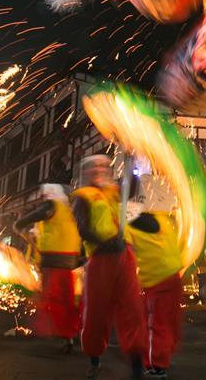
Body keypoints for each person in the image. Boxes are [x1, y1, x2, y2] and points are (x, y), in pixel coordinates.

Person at [70, 154, 147, 378]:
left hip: (124, 256)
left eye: (103, 166)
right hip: (100, 260)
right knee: (97, 312)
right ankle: (94, 359)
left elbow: (132, 189)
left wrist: (132, 165)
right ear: (85, 172)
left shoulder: (115, 191)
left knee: (133, 309)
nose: (99, 169)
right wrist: (105, 243)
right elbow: (83, 229)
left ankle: (137, 363)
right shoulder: (82, 196)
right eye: (93, 166)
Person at [14, 183, 82, 353]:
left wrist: (19, 223)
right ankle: (69, 335)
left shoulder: (53, 205)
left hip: (54, 260)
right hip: (69, 261)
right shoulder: (69, 211)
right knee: (66, 301)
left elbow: (42, 212)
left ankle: (50, 330)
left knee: (52, 299)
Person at [127, 180, 184, 379]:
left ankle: (156, 365)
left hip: (158, 280)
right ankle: (164, 356)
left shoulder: (135, 220)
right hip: (172, 275)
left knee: (155, 324)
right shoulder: (161, 218)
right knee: (168, 322)